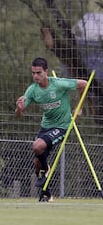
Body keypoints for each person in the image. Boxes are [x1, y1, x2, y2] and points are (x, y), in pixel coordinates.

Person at [15, 57, 87, 202]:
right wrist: (19, 109)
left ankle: (46, 169)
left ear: (46, 72)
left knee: (37, 146)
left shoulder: (59, 84)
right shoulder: (32, 90)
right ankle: (46, 195)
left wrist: (79, 107)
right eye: (33, 73)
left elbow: (84, 84)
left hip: (62, 126)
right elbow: (18, 115)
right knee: (37, 162)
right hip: (46, 127)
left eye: (39, 73)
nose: (36, 76)